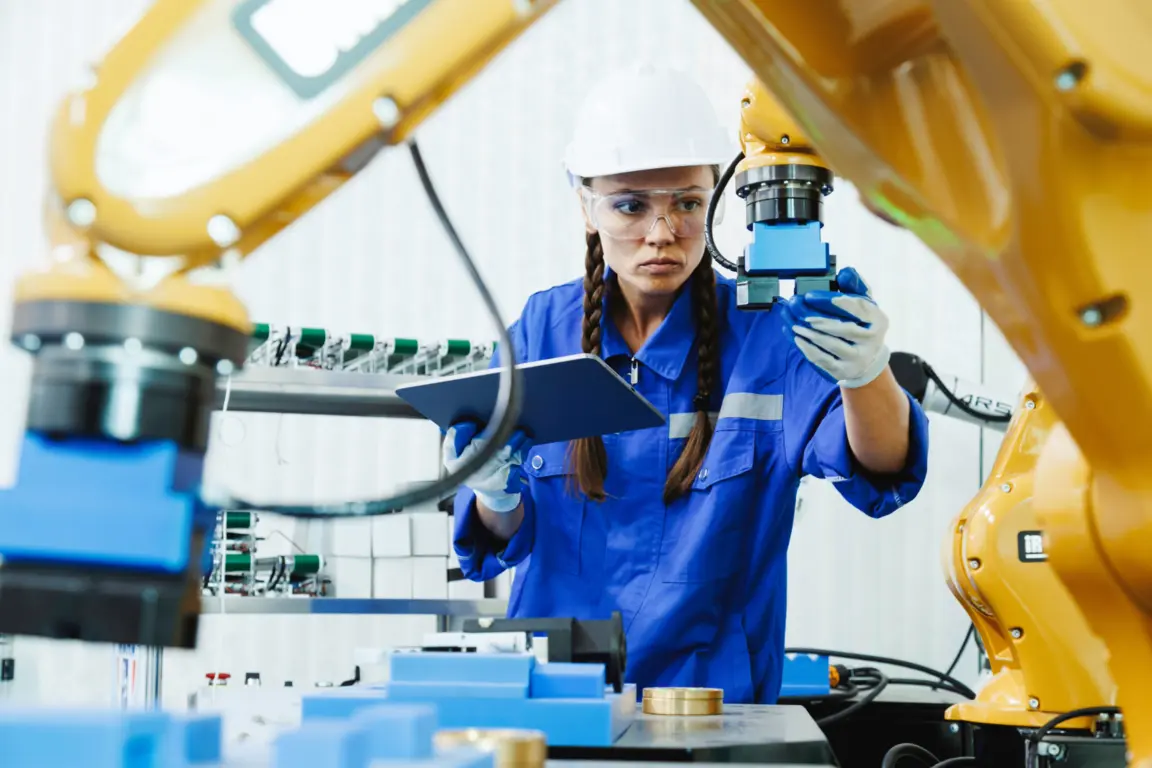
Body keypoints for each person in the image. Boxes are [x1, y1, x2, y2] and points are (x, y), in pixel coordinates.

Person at [445, 65, 930, 704]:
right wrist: (495, 499)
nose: (662, 233)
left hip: (712, 712)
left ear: (713, 201)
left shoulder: (766, 338)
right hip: (558, 703)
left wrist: (868, 375)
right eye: (630, 205)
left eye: (687, 204)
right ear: (585, 206)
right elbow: (502, 540)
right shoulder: (541, 332)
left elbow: (883, 467)